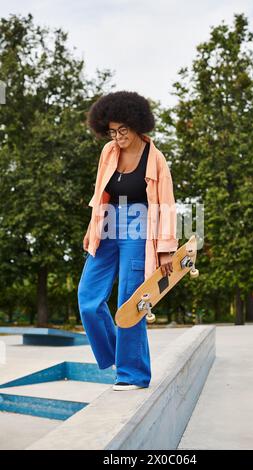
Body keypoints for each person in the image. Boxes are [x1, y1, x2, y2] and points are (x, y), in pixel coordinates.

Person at [77, 90, 178, 391]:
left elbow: (167, 204)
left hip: (140, 229)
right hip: (107, 224)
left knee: (131, 302)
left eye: (123, 130)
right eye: (112, 131)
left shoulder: (155, 159)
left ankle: (133, 374)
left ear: (137, 126)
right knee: (88, 298)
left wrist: (166, 250)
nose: (118, 137)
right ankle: (115, 357)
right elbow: (100, 193)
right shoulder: (108, 152)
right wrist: (90, 226)